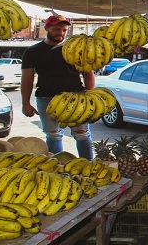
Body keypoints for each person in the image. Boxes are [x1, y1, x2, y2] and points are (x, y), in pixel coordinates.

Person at [21, 15, 94, 160]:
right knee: (53, 135)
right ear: (46, 28)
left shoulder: (75, 49)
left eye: (64, 30)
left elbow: (88, 73)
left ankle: (89, 165)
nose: (60, 33)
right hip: (47, 98)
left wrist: (90, 97)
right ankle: (57, 168)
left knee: (82, 135)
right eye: (56, 29)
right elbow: (27, 78)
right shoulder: (32, 51)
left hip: (76, 98)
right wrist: (25, 103)